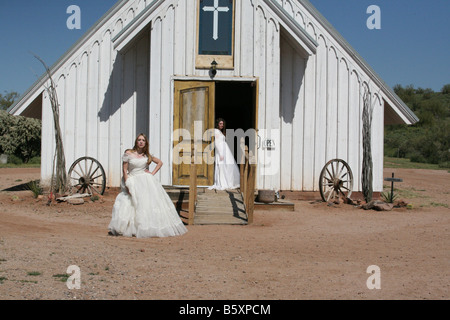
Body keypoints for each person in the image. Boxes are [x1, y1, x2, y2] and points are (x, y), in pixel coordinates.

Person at [108, 133, 187, 238]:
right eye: (139, 140)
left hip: (145, 180)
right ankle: (129, 227)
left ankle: (145, 227)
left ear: (146, 143)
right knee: (131, 203)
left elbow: (160, 163)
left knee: (146, 203)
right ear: (136, 142)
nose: (141, 142)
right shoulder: (128, 153)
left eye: (143, 140)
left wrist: (152, 173)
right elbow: (124, 170)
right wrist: (127, 183)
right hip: (132, 179)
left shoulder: (147, 156)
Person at [209, 118, 240, 190]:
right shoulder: (216, 131)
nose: (222, 125)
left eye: (222, 124)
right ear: (217, 124)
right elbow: (216, 142)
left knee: (229, 166)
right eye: (220, 124)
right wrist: (220, 154)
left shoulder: (220, 131)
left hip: (225, 150)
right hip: (221, 151)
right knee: (222, 167)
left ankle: (228, 181)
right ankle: (223, 182)